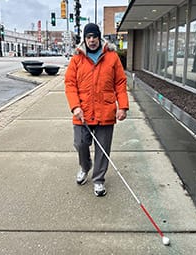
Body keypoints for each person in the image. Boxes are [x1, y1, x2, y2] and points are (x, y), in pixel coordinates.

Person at [64, 23, 129, 197]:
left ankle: (99, 179)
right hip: (82, 111)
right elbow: (70, 84)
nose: (91, 40)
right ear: (84, 39)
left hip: (105, 110)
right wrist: (75, 106)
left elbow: (120, 82)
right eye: (88, 37)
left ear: (99, 37)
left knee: (103, 148)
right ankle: (85, 167)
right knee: (80, 143)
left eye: (94, 36)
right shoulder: (77, 58)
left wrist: (122, 106)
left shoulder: (112, 57)